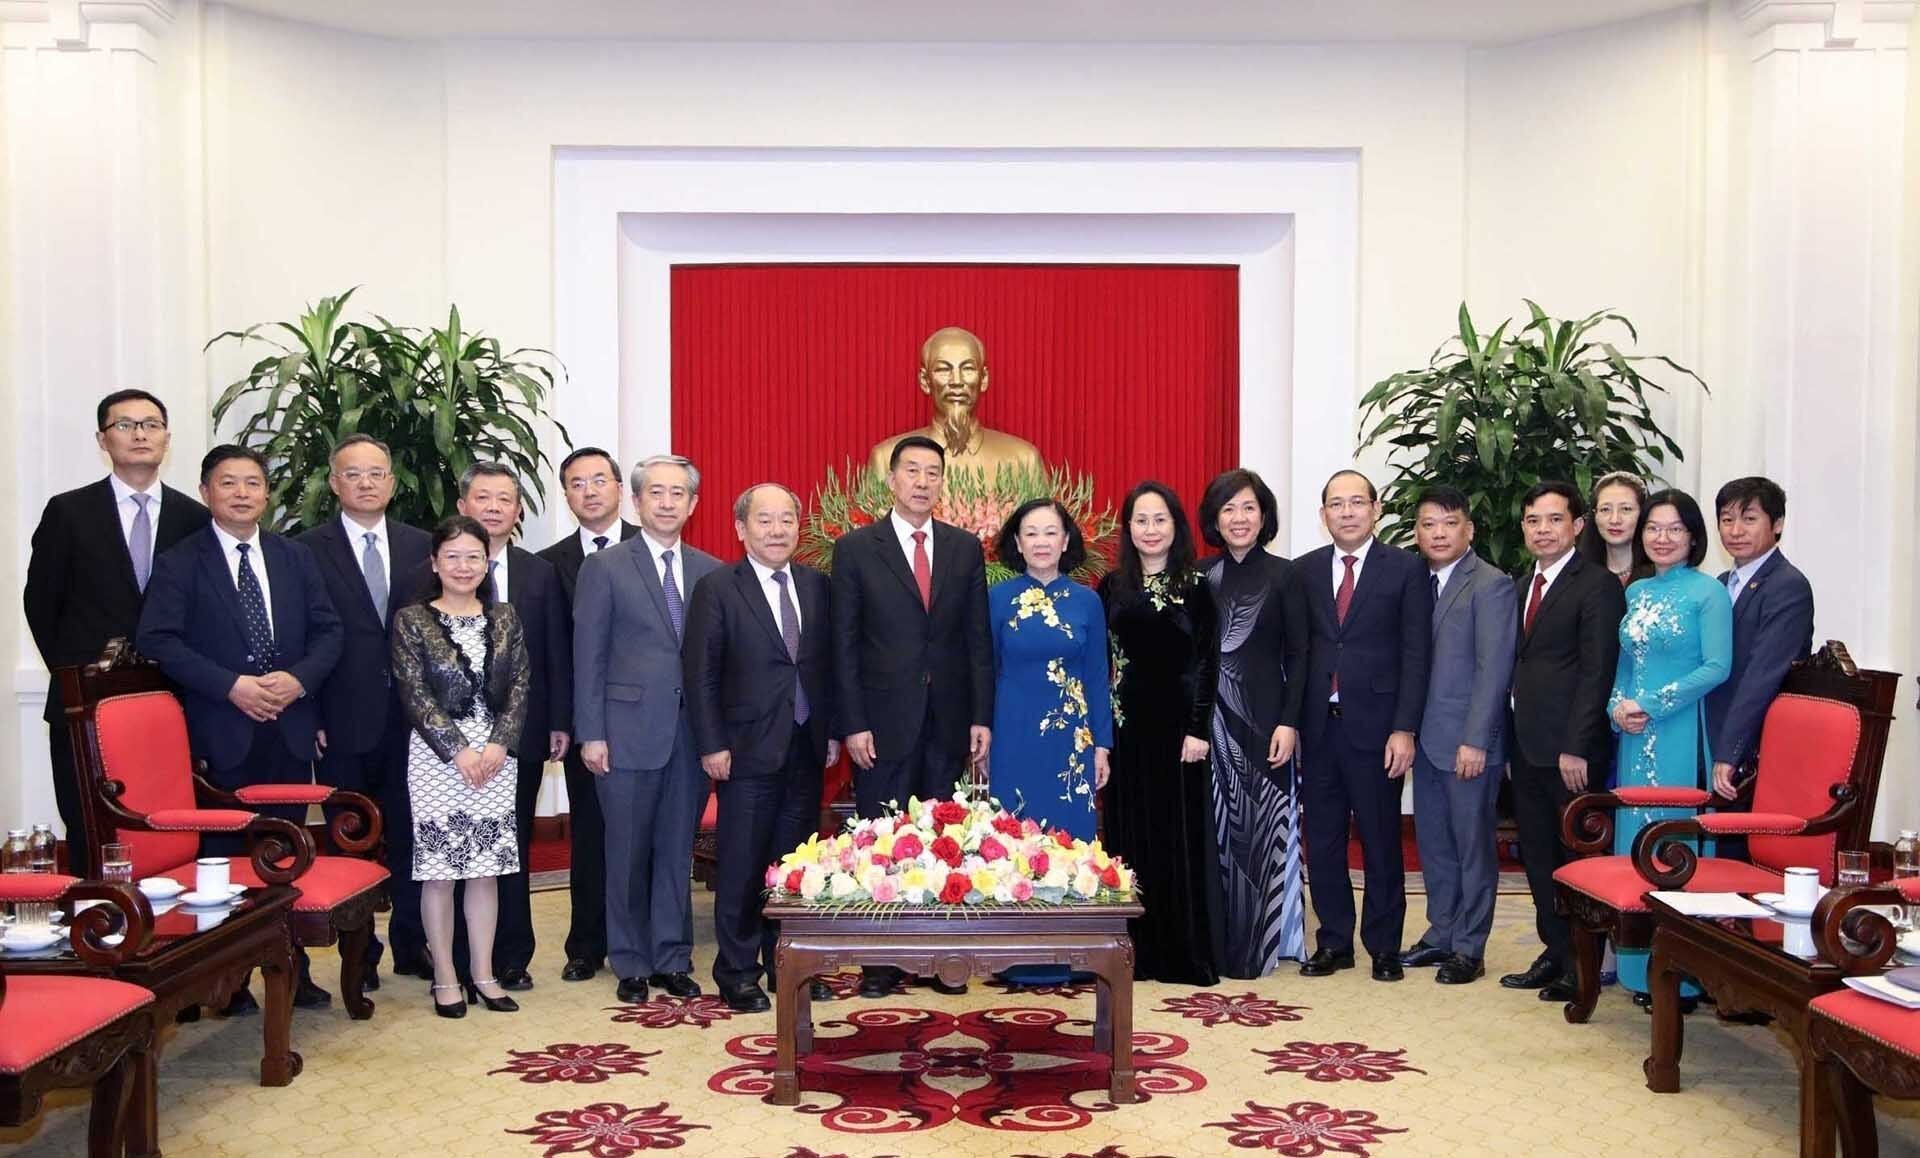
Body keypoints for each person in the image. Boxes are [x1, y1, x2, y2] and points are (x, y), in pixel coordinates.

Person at [135, 444, 343, 1009]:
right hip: (221, 730)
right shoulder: (181, 561)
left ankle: (292, 970)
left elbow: (329, 631)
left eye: (253, 483)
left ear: (266, 494)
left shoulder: (294, 557)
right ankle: (226, 983)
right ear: (206, 492)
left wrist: (297, 682)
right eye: (229, 483)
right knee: (222, 862)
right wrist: (232, 686)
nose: (242, 493)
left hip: (289, 728)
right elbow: (158, 639)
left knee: (285, 855)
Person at [832, 434, 994, 998]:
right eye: (912, 471)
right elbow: (844, 645)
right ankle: (879, 962)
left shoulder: (964, 548)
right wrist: (852, 722)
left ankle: (940, 957)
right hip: (881, 722)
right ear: (892, 480)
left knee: (943, 837)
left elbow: (977, 640)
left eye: (933, 473)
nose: (923, 482)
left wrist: (981, 715)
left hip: (948, 718)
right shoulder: (856, 548)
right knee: (882, 837)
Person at [25, 389, 208, 876]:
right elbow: (41, 604)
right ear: (103, 439)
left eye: (150, 424)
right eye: (125, 425)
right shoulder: (69, 512)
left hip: (171, 700)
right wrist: (76, 677)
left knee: (168, 824)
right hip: (84, 702)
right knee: (90, 822)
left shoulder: (194, 518)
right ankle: (95, 930)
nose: (140, 434)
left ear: (167, 438)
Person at [683, 484, 838, 1013]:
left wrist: (833, 731)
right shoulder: (718, 588)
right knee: (744, 863)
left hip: (805, 745)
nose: (777, 531)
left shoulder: (817, 586)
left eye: (787, 521)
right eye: (765, 521)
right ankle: (736, 970)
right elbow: (700, 675)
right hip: (744, 749)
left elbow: (823, 667)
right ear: (741, 528)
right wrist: (711, 744)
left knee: (794, 866)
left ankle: (786, 964)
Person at [574, 454, 721, 1004]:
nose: (666, 502)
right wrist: (591, 732)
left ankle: (672, 957)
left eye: (677, 493)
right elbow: (586, 655)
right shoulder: (606, 567)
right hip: (624, 732)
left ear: (692, 504)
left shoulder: (710, 569)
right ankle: (631, 961)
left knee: (674, 851)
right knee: (628, 850)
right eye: (655, 493)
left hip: (691, 737)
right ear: (636, 502)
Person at [296, 433, 433, 986]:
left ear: (392, 484)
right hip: (339, 722)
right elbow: (297, 640)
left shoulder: (423, 544)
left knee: (412, 836)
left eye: (377, 473)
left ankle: (412, 943)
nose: (366, 483)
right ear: (334, 484)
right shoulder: (304, 549)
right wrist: (308, 716)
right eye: (353, 474)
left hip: (413, 723)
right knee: (349, 839)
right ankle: (361, 952)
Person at [390, 515, 531, 1018]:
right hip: (436, 758)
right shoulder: (412, 620)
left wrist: (498, 745)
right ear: (434, 563)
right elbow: (415, 694)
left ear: (487, 561)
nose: (463, 566)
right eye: (452, 556)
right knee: (440, 872)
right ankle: (445, 977)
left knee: (486, 871)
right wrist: (458, 751)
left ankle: (484, 973)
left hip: (496, 759)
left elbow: (518, 687)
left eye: (473, 556)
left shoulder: (506, 617)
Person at [1296, 469, 1431, 983]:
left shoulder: (1404, 570)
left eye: (1357, 502)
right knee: (1324, 839)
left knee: (1379, 840)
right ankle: (1333, 942)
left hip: (1379, 731)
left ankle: (1384, 946)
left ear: (1376, 509)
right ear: (1323, 513)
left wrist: (1405, 728)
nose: (1347, 512)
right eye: (1336, 503)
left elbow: (1417, 654)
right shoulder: (1304, 571)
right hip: (1320, 728)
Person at [442, 463, 572, 992]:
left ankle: (511, 956)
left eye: (505, 499)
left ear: (518, 512)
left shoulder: (538, 572)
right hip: (447, 741)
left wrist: (560, 721)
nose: (494, 507)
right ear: (463, 505)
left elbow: (556, 653)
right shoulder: (435, 570)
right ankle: (454, 956)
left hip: (521, 734)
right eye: (483, 497)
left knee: (510, 843)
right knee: (455, 844)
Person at [1500, 481, 1626, 1004]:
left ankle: (1583, 965)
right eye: (1533, 520)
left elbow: (1598, 671)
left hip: (1569, 752)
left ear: (1577, 526)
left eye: (1554, 519)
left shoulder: (1596, 585)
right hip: (1524, 746)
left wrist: (1577, 744)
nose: (1542, 529)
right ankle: (1554, 952)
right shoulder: (1517, 583)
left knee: (1575, 858)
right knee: (1538, 855)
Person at [1608, 489, 1732, 1004]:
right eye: (1653, 528)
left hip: (1680, 730)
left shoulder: (1709, 593)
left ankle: (1681, 973)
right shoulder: (1636, 592)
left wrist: (1651, 705)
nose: (1661, 538)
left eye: (1674, 529)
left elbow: (1717, 667)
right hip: (1632, 737)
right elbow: (1625, 665)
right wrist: (1617, 706)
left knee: (1673, 841)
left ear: (1693, 536)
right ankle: (1637, 969)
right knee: (1633, 838)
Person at [1098, 481, 1222, 985]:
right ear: (1128, 529)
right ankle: (1136, 954)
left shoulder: (1196, 586)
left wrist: (1198, 729)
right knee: (1129, 841)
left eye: (1160, 520)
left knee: (1178, 841)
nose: (1150, 530)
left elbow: (1207, 662)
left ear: (1176, 526)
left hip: (1179, 736)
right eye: (1141, 521)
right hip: (1127, 732)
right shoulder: (1111, 587)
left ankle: (1180, 953)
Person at [1398, 487, 1516, 985]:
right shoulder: (1415, 581)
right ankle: (1440, 933)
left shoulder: (1490, 584)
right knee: (1435, 844)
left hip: (1468, 743)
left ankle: (1470, 946)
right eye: (1428, 524)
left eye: (1448, 522)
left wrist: (1478, 739)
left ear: (1469, 528)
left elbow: (1494, 669)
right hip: (1425, 741)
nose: (1438, 533)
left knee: (1472, 847)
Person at [1197, 468, 1310, 978]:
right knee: (1217, 831)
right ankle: (1220, 942)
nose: (1239, 518)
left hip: (1266, 726)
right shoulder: (1200, 576)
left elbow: (1300, 654)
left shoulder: (1286, 576)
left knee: (1262, 832)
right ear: (1214, 520)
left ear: (1264, 516)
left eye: (1248, 508)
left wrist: (1290, 722)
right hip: (1211, 728)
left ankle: (1265, 945)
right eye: (1228, 509)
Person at [537, 447, 638, 984]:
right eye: (577, 483)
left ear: (620, 489)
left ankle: (640, 941)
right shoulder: (549, 564)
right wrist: (565, 721)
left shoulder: (654, 550)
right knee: (592, 836)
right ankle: (586, 945)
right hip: (586, 722)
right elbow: (552, 653)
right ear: (567, 495)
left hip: (647, 720)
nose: (590, 491)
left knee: (642, 836)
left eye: (600, 480)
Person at [988, 499, 1112, 835]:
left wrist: (1102, 744)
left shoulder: (1088, 601)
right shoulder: (996, 599)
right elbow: (986, 673)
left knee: (1070, 838)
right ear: (1017, 542)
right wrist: (982, 738)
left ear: (1066, 540)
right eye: (1031, 533)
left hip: (1071, 737)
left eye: (1050, 532)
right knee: (1011, 838)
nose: (1041, 542)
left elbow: (1098, 677)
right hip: (1011, 732)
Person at [1704, 477, 1814, 801]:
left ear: (1777, 524)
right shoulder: (1722, 582)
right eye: (1727, 519)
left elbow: (1762, 676)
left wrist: (1730, 750)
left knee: (1736, 847)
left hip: (1754, 750)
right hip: (1712, 736)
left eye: (1749, 519)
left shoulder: (1787, 586)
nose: (1735, 531)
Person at [867, 327, 1043, 480]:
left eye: (968, 369)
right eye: (943, 369)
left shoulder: (1023, 460)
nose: (956, 381)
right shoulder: (886, 459)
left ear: (984, 378)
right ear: (925, 381)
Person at [1577, 471, 1654, 587]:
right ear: (1594, 514)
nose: (1614, 520)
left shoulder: (1659, 573)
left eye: (1626, 509)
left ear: (1643, 513)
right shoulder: (1577, 573)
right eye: (1605, 509)